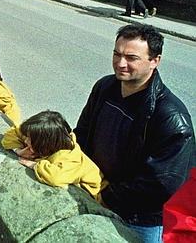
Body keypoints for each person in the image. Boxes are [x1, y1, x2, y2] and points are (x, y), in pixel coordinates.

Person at [74, 24, 195, 242]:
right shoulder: (105, 87)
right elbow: (82, 134)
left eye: (131, 58)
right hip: (95, 192)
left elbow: (161, 184)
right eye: (117, 54)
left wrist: (107, 196)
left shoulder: (171, 118)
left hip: (139, 219)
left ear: (154, 61)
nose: (121, 64)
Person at [2, 110, 103, 200]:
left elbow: (55, 177)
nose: (25, 140)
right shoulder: (41, 137)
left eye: (29, 139)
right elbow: (13, 131)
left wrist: (34, 165)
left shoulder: (69, 157)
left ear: (43, 143)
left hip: (97, 193)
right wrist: (18, 150)